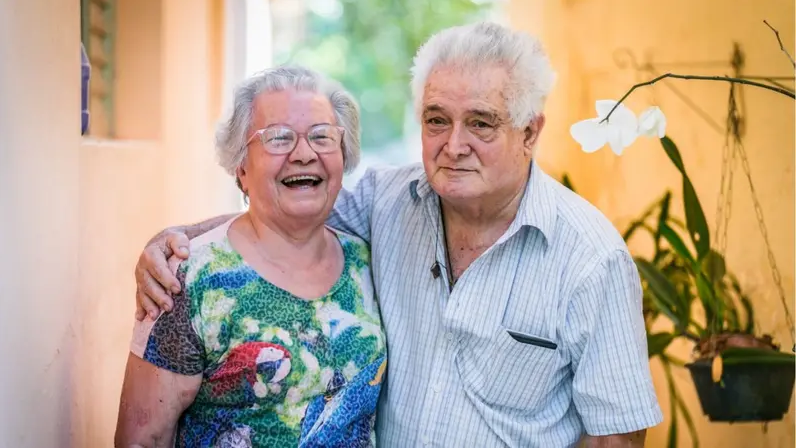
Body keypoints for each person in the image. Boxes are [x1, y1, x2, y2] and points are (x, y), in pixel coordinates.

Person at [133, 22, 662, 447]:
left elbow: (616, 434)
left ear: (530, 132)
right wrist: (178, 238)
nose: (454, 145)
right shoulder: (389, 202)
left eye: (480, 122)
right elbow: (285, 212)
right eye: (437, 120)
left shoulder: (592, 259)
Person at [115, 66, 387, 447]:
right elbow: (143, 438)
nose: (304, 154)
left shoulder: (366, 260)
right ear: (241, 167)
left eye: (322, 137)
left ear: (344, 156)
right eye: (278, 138)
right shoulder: (190, 279)